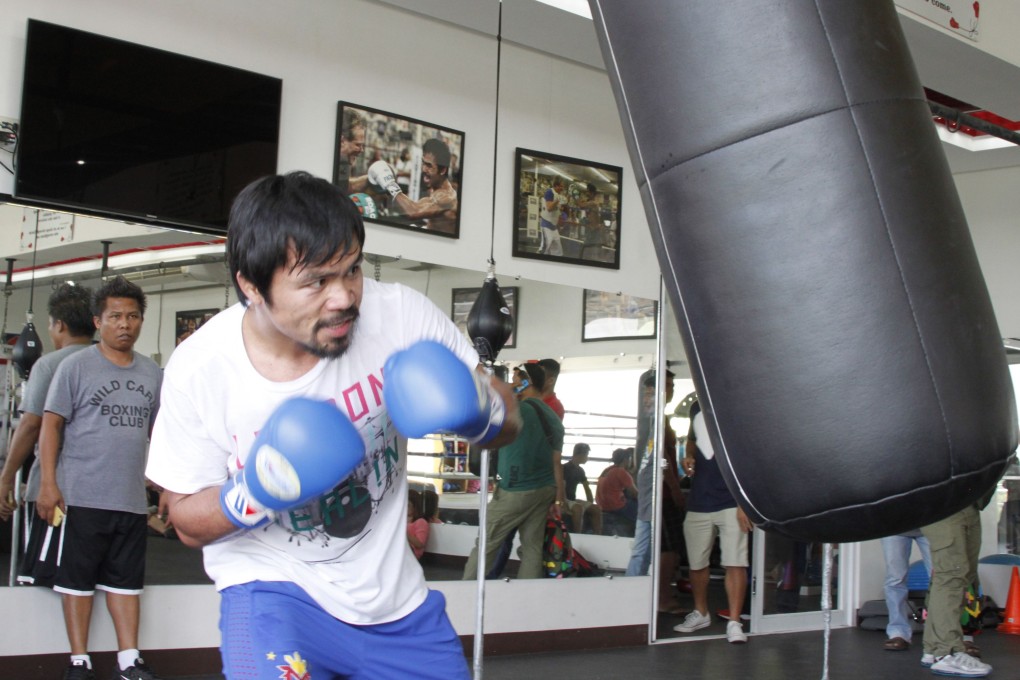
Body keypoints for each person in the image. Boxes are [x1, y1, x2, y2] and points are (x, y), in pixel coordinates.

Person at [145, 171, 519, 680]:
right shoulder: (201, 368)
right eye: (316, 281)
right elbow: (185, 521)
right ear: (251, 286)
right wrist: (259, 488)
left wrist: (478, 407)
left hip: (397, 607)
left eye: (352, 271)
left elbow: (510, 421)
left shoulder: (400, 318)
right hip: (274, 596)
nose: (343, 297)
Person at [35, 276, 163, 680]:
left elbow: (159, 433)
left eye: (133, 316)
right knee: (77, 581)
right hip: (81, 495)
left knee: (127, 583)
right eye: (115, 317)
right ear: (97, 321)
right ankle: (79, 660)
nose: (125, 324)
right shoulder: (75, 367)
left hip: (128, 499)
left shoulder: (152, 373)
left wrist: (164, 487)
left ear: (141, 320)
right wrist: (48, 484)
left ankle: (129, 659)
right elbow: (50, 426)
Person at [0, 283, 94, 575]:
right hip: (99, 497)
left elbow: (30, 425)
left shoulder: (50, 364)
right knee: (86, 580)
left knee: (46, 577)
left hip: (55, 493)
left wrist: (5, 478)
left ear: (59, 325)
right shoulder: (112, 362)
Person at [463, 363, 565, 580]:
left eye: (517, 380)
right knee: (532, 548)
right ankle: (529, 598)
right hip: (544, 490)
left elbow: (479, 422)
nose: (512, 384)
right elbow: (556, 461)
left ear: (527, 383)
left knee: (486, 544)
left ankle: (466, 590)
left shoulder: (514, 410)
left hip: (514, 491)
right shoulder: (554, 418)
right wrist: (558, 500)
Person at [675, 398, 753, 644]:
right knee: (697, 563)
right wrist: (687, 456)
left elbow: (749, 454)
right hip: (700, 498)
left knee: (735, 562)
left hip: (731, 500)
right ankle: (701, 612)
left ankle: (734, 621)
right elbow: (691, 439)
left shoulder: (736, 402)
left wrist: (744, 503)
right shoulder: (697, 406)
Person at [625, 371, 686, 618]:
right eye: (666, 385)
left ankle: (633, 595)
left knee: (645, 547)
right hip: (658, 495)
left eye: (671, 385)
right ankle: (660, 598)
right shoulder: (654, 421)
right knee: (667, 549)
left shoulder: (652, 420)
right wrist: (674, 490)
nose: (669, 390)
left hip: (651, 493)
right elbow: (663, 461)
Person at [920, 502, 993, 676]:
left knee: (964, 577)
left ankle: (932, 648)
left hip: (972, 504)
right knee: (951, 576)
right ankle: (947, 651)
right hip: (945, 504)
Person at [367, 137, 459, 234]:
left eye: (429, 165)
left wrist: (390, 184)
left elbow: (414, 212)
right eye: (423, 163)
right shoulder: (436, 189)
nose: (423, 169)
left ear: (443, 170)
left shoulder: (446, 197)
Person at [880, 529, 932, 652]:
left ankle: (940, 633)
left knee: (942, 578)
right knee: (895, 579)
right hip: (894, 525)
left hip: (930, 524)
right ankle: (898, 633)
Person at [595, 448, 638, 537]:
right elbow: (635, 493)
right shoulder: (621, 472)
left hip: (602, 505)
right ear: (626, 460)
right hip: (617, 506)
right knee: (642, 513)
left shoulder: (607, 470)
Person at [562, 443, 602, 535]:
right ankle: (577, 536)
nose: (587, 458)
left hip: (572, 499)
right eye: (587, 455)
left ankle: (598, 536)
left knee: (596, 509)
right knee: (578, 508)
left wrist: (590, 503)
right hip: (565, 499)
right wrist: (563, 504)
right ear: (580, 455)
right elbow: (561, 487)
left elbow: (587, 489)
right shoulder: (565, 468)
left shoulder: (580, 471)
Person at [335, 107, 369, 195]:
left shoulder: (344, 162)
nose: (361, 150)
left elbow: (344, 186)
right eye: (357, 145)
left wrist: (370, 180)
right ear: (342, 141)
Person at [577, 183, 606, 261]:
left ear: (592, 193)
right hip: (592, 230)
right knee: (587, 249)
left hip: (594, 231)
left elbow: (580, 205)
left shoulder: (593, 203)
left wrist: (576, 196)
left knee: (588, 249)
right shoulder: (591, 202)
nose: (587, 193)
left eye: (588, 191)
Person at [539, 177, 566, 256]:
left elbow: (556, 210)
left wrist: (560, 217)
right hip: (546, 226)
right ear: (556, 186)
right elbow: (549, 208)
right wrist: (558, 200)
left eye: (562, 186)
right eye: (561, 186)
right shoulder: (549, 192)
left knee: (558, 251)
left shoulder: (557, 195)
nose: (562, 188)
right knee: (545, 249)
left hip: (554, 227)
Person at [407, 490, 430, 561]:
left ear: (415, 506)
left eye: (408, 505)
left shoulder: (421, 522)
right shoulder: (401, 519)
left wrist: (403, 533)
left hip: (411, 554)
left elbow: (420, 544)